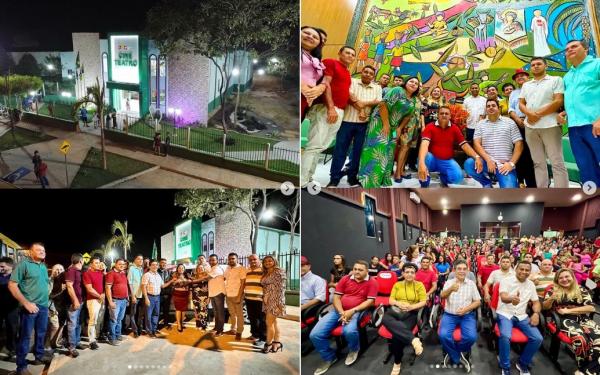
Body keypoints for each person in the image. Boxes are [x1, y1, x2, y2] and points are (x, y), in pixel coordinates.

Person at [301, 46, 355, 186]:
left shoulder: (347, 73)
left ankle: (309, 176)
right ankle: (301, 179)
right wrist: (330, 107)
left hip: (339, 111)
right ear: (339, 53)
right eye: (347, 53)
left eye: (352, 54)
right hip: (326, 109)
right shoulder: (331, 63)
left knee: (321, 146)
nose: (350, 56)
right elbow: (326, 84)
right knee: (314, 145)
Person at [310, 260, 377, 374]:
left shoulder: (372, 282)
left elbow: (370, 301)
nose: (356, 272)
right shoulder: (346, 278)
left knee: (349, 331)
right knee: (315, 334)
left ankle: (354, 349)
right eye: (355, 269)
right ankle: (329, 357)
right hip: (338, 311)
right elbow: (336, 298)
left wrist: (352, 311)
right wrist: (342, 313)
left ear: (367, 271)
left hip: (357, 311)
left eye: (360, 270)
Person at [358, 77, 420, 187]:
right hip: (380, 121)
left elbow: (408, 116)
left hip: (395, 127)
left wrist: (400, 128)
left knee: (390, 151)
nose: (413, 84)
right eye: (411, 81)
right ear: (405, 83)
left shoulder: (414, 99)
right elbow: (383, 105)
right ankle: (369, 180)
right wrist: (386, 124)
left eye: (416, 83)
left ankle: (383, 179)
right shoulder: (397, 90)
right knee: (378, 149)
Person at [328, 65, 382, 187]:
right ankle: (334, 178)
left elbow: (378, 101)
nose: (367, 74)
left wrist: (364, 103)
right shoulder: (352, 81)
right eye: (365, 71)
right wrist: (361, 110)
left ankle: (352, 177)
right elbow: (349, 96)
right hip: (347, 121)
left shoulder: (377, 87)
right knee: (340, 150)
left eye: (370, 73)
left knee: (358, 152)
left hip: (364, 125)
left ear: (373, 76)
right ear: (361, 72)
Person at [519, 57, 568, 188]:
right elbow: (521, 103)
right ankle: (542, 192)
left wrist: (536, 115)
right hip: (530, 127)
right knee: (538, 162)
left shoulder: (556, 80)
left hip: (550, 125)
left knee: (557, 161)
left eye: (539, 64)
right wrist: (529, 114)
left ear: (545, 66)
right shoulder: (526, 85)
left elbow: (558, 101)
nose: (535, 66)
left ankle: (562, 194)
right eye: (533, 64)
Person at [543, 268, 600, 374]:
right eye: (561, 278)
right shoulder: (553, 290)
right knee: (581, 340)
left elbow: (591, 308)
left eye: (567, 276)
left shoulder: (581, 289)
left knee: (598, 340)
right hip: (562, 320)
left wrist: (568, 310)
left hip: (583, 319)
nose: (564, 279)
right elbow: (545, 308)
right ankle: (585, 368)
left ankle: (587, 370)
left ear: (572, 277)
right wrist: (551, 298)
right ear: (557, 280)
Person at [559, 39, 600, 186]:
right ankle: (593, 203)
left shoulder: (597, 64)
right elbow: (575, 98)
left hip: (594, 125)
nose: (569, 50)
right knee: (586, 168)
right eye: (567, 49)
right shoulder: (567, 76)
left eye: (574, 46)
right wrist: (563, 112)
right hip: (574, 128)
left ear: (586, 49)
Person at [8, 243, 53, 375]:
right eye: (38, 250)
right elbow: (12, 285)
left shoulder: (43, 267)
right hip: (30, 306)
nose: (42, 252)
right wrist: (26, 303)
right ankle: (21, 366)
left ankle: (39, 356)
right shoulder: (23, 265)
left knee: (41, 334)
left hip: (43, 306)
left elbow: (44, 285)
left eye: (43, 250)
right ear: (30, 252)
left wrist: (46, 303)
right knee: (25, 337)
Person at [496, 261, 543, 375]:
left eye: (527, 270)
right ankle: (505, 366)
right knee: (505, 336)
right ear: (516, 269)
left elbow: (536, 302)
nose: (524, 272)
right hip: (505, 313)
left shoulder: (531, 284)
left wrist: (536, 313)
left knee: (538, 338)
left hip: (522, 315)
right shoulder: (506, 281)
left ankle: (522, 363)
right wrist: (511, 298)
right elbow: (503, 297)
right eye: (521, 269)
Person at [464, 99, 523, 188]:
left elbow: (519, 144)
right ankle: (486, 183)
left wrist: (511, 164)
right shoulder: (480, 124)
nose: (490, 107)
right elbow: (476, 144)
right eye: (488, 106)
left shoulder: (510, 122)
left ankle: (509, 180)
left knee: (510, 192)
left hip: (504, 166)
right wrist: (488, 160)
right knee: (469, 164)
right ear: (486, 109)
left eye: (493, 105)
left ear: (498, 108)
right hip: (487, 162)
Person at [417, 105, 481, 187]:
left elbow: (464, 145)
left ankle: (443, 178)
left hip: (446, 161)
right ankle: (425, 181)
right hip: (432, 159)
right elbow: (424, 144)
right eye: (441, 113)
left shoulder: (454, 128)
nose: (444, 115)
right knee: (425, 157)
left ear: (450, 116)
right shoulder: (430, 127)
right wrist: (421, 163)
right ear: (437, 115)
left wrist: (476, 157)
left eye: (446, 114)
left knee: (457, 178)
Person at [382, 263, 427, 375]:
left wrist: (411, 306)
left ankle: (397, 363)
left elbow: (423, 302)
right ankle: (413, 340)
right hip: (397, 310)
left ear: (415, 274)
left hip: (411, 312)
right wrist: (399, 303)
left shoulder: (419, 285)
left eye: (412, 272)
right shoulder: (397, 285)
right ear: (402, 273)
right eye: (407, 272)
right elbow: (391, 300)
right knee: (384, 318)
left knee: (397, 336)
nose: (409, 274)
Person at [439, 260, 480, 372]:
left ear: (467, 270)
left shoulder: (471, 284)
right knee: (443, 336)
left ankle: (455, 351)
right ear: (454, 270)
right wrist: (451, 289)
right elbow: (442, 296)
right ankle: (457, 356)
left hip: (467, 315)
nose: (462, 271)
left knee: (471, 337)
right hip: (450, 315)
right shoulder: (449, 282)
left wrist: (466, 309)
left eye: (464, 269)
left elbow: (477, 302)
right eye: (459, 269)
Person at [508, 70, 538, 187]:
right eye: (517, 77)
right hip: (518, 123)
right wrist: (517, 119)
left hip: (532, 123)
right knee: (519, 152)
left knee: (532, 153)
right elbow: (511, 109)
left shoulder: (534, 88)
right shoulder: (514, 93)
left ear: (528, 77)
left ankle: (533, 183)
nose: (520, 78)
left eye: (522, 76)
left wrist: (527, 118)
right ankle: (520, 181)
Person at [261, 256, 287, 354]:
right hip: (267, 300)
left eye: (270, 260)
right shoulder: (266, 273)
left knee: (269, 323)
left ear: (274, 261)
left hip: (275, 300)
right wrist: (265, 296)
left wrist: (279, 304)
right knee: (274, 322)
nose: (267, 263)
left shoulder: (279, 271)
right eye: (265, 261)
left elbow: (281, 289)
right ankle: (276, 343)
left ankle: (268, 343)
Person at [142, 260, 175, 337]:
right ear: (150, 266)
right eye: (153, 265)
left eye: (156, 265)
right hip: (150, 297)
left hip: (157, 297)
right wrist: (146, 298)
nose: (155, 266)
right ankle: (149, 331)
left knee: (156, 314)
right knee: (148, 315)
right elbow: (143, 286)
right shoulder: (147, 275)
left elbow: (162, 286)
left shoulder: (158, 275)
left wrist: (171, 281)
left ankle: (154, 329)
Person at [301, 26, 326, 120]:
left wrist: (321, 87)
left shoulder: (316, 59)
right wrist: (302, 86)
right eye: (307, 33)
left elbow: (324, 78)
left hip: (307, 99)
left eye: (315, 37)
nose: (310, 37)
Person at [83, 256, 105, 350]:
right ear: (91, 264)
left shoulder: (101, 273)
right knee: (93, 320)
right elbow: (89, 289)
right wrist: (99, 296)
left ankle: (96, 337)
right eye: (96, 262)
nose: (98, 264)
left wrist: (103, 294)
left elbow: (105, 283)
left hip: (101, 299)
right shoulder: (87, 273)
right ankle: (91, 341)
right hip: (93, 300)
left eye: (99, 262)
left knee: (99, 320)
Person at [65, 253, 84, 357]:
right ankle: (72, 347)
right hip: (74, 302)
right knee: (72, 324)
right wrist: (75, 300)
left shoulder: (77, 271)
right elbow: (69, 286)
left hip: (80, 301)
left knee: (78, 323)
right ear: (81, 261)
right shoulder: (71, 270)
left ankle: (77, 342)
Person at [105, 258, 128, 346]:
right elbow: (108, 288)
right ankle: (112, 337)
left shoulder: (123, 273)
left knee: (119, 319)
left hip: (123, 300)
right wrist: (110, 301)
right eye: (120, 264)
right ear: (115, 264)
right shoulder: (111, 274)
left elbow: (124, 286)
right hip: (115, 300)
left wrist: (126, 298)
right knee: (113, 320)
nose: (122, 266)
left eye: (123, 264)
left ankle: (118, 335)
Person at [224, 252, 246, 340]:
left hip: (237, 294)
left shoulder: (241, 268)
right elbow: (225, 279)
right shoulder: (227, 268)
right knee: (232, 314)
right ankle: (233, 329)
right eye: (229, 259)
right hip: (228, 295)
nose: (231, 260)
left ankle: (239, 331)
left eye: (233, 258)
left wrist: (239, 296)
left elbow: (243, 283)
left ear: (237, 259)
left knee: (239, 314)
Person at [0, 257, 19, 361]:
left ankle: (12, 349)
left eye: (2, 266)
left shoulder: (15, 277)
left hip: (12, 308)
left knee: (12, 329)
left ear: (10, 266)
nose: (0, 268)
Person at [245, 254, 266, 342]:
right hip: (248, 298)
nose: (252, 261)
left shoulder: (264, 270)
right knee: (252, 318)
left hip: (260, 299)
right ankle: (254, 334)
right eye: (250, 260)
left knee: (262, 320)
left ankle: (263, 338)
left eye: (254, 259)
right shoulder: (247, 270)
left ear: (259, 260)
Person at [46, 264, 66, 350]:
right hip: (50, 306)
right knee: (53, 325)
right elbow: (48, 296)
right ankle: (48, 345)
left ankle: (54, 342)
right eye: (56, 269)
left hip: (61, 306)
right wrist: (60, 290)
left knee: (61, 325)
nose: (59, 271)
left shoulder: (64, 280)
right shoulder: (49, 280)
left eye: (61, 269)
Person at [207, 254, 226, 336]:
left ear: (217, 261)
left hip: (218, 293)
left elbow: (206, 278)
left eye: (213, 260)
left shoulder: (217, 268)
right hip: (213, 293)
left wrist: (192, 281)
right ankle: (216, 327)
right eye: (210, 260)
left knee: (220, 312)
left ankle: (220, 330)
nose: (212, 261)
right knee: (216, 312)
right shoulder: (212, 269)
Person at [127, 254, 145, 337]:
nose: (141, 261)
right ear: (135, 260)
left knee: (140, 314)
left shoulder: (141, 269)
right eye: (139, 259)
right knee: (133, 314)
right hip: (135, 295)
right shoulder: (132, 268)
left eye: (142, 259)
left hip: (142, 295)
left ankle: (139, 328)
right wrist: (133, 295)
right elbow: (129, 282)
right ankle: (135, 331)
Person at [170, 264, 191, 332]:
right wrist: (176, 281)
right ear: (177, 269)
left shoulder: (187, 275)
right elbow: (171, 284)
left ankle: (181, 323)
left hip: (185, 294)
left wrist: (188, 281)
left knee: (184, 310)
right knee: (178, 309)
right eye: (179, 268)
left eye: (182, 268)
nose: (181, 269)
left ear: (184, 269)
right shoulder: (174, 275)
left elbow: (191, 282)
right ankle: (179, 325)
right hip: (177, 294)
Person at [191, 260, 210, 330]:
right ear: (196, 269)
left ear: (204, 269)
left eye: (201, 268)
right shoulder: (194, 277)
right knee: (196, 311)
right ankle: (198, 324)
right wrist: (191, 297)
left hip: (204, 297)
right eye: (198, 268)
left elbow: (209, 287)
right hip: (195, 296)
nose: (200, 269)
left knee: (203, 311)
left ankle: (204, 325)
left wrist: (209, 298)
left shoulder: (207, 277)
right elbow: (191, 288)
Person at [157, 258, 172, 329]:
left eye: (165, 263)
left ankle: (166, 324)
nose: (163, 264)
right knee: (158, 310)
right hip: (158, 294)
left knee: (166, 310)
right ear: (159, 263)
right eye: (162, 263)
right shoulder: (156, 272)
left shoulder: (169, 272)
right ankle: (156, 325)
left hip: (167, 294)